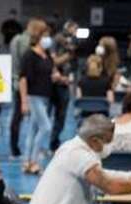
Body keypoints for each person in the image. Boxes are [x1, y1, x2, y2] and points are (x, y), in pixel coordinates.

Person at [19, 26, 56, 174]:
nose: (48, 39)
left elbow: (51, 71)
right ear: (38, 37)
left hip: (45, 96)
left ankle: (26, 162)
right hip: (34, 96)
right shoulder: (29, 55)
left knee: (33, 130)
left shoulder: (47, 55)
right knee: (46, 127)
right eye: (45, 36)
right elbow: (23, 79)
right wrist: (24, 101)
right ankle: (34, 161)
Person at [9, 18, 47, 158]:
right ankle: (32, 151)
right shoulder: (29, 44)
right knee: (36, 120)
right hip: (29, 85)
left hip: (16, 81)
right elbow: (28, 66)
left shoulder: (15, 39)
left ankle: (14, 149)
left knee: (17, 117)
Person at [49, 21, 79, 150]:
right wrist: (67, 56)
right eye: (74, 29)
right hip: (53, 83)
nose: (75, 31)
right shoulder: (57, 40)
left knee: (61, 115)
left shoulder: (73, 41)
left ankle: (54, 142)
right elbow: (53, 61)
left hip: (65, 83)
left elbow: (73, 62)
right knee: (45, 116)